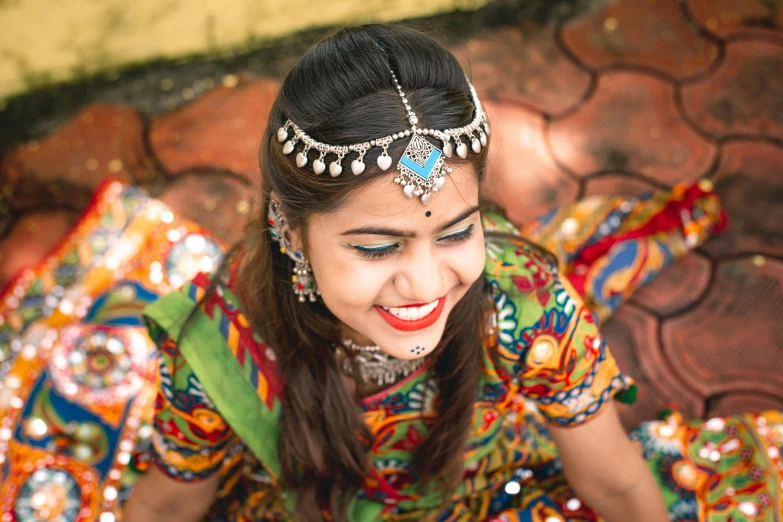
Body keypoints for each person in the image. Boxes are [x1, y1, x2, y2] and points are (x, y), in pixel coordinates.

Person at [122, 23, 673, 522]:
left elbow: (616, 484)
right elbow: (168, 504)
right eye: (380, 248)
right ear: (292, 233)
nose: (427, 285)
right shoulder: (221, 342)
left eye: (456, 233)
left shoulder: (521, 300)